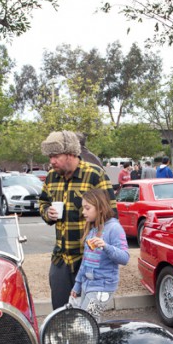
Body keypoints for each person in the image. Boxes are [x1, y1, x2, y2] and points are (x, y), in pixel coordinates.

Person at [38, 130, 116, 310]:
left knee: (87, 316)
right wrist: (47, 213)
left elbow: (111, 215)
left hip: (89, 260)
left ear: (71, 153)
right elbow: (42, 202)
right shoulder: (51, 177)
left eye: (56, 156)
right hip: (61, 260)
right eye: (50, 156)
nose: (52, 161)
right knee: (60, 313)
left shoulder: (95, 175)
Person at [69, 188, 129, 321]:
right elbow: (85, 261)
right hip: (87, 286)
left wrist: (105, 246)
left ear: (100, 208)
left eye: (87, 208)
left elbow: (125, 258)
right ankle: (95, 341)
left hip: (103, 288)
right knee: (90, 323)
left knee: (86, 322)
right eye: (83, 208)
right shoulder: (92, 228)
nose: (83, 212)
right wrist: (77, 284)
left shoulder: (114, 228)